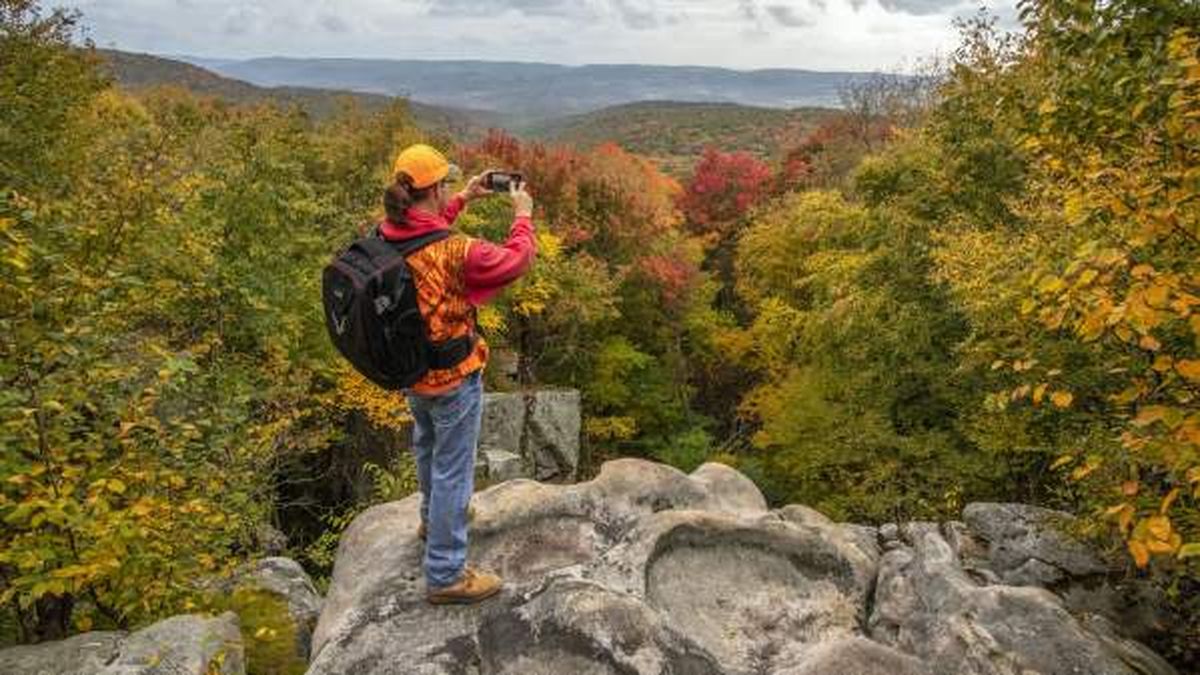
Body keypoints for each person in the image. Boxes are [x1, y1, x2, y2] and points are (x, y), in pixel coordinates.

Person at [381, 144, 536, 604]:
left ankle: (432, 522)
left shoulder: (389, 231)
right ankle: (447, 572)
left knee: (427, 447)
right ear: (433, 189)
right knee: (453, 470)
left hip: (412, 369)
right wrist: (522, 214)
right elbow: (517, 260)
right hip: (453, 376)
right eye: (446, 185)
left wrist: (466, 197)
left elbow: (428, 229)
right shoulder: (456, 252)